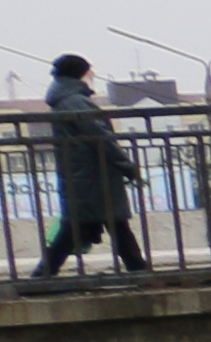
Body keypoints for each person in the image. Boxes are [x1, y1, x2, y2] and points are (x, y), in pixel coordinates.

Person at [31, 55, 148, 278]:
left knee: (100, 226)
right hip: (93, 178)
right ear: (80, 74)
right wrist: (127, 166)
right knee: (97, 226)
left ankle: (139, 269)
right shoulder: (75, 101)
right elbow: (101, 138)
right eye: (89, 71)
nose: (92, 75)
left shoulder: (65, 99)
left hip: (84, 177)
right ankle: (41, 277)